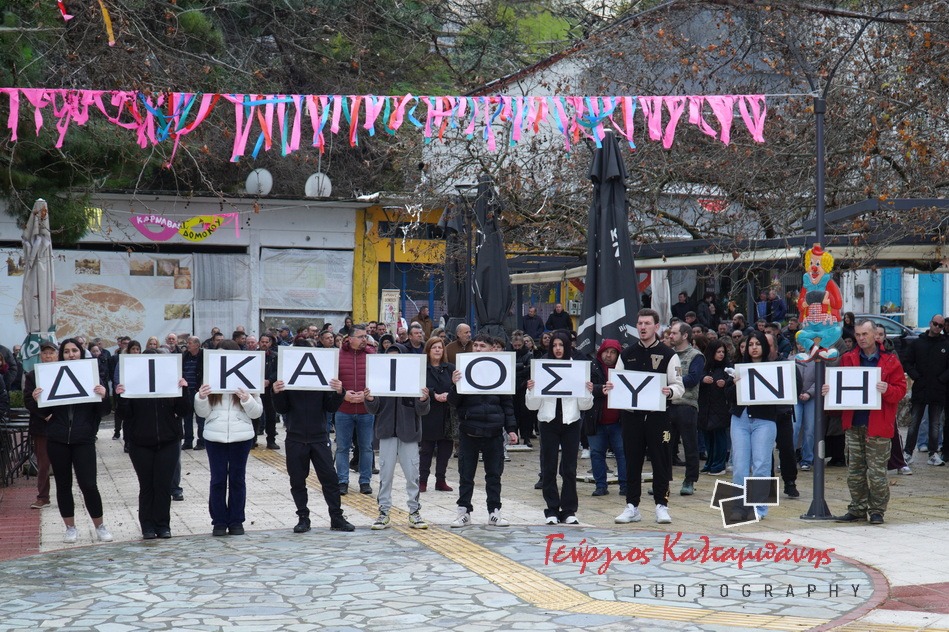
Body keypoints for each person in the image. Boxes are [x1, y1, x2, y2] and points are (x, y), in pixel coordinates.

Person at [30, 338, 113, 543]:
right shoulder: (52, 375)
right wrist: (37, 399)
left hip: (83, 438)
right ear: (62, 355)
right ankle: (70, 527)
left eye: (74, 350)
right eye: (66, 351)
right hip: (58, 438)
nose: (71, 354)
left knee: (89, 484)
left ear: (81, 352)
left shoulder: (92, 375)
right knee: (63, 484)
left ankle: (100, 526)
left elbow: (104, 411)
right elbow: (44, 412)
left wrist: (104, 396)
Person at [609, 309, 684, 525]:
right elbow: (618, 382)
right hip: (632, 417)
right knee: (632, 461)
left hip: (658, 416)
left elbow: (679, 386)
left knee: (661, 461)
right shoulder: (626, 354)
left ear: (656, 326)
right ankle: (632, 506)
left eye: (647, 323)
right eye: (640, 323)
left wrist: (669, 391)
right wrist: (611, 387)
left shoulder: (669, 355)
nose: (643, 327)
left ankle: (662, 505)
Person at [829, 320, 907, 524]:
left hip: (878, 425)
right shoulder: (848, 358)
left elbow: (901, 391)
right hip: (854, 423)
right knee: (854, 471)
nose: (861, 338)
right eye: (858, 335)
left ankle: (877, 510)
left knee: (877, 472)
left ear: (875, 335)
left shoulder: (890, 360)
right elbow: (839, 387)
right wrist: (830, 392)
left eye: (865, 334)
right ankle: (857, 508)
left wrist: (888, 390)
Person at [272, 347, 354, 533]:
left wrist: (339, 392)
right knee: (297, 480)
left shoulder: (320, 379)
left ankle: (336, 517)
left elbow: (330, 407)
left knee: (330, 479)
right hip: (295, 437)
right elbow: (282, 409)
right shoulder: (289, 379)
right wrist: (276, 393)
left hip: (319, 437)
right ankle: (303, 517)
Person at [115, 354, 190, 539]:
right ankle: (147, 526)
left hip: (168, 440)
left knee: (163, 485)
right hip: (140, 441)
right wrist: (121, 396)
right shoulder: (134, 385)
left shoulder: (170, 384)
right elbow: (124, 414)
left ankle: (163, 525)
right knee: (147, 485)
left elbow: (184, 411)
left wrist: (183, 390)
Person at [448, 334, 519, 528]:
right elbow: (453, 402)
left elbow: (507, 403)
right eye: (476, 345)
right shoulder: (463, 368)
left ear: (491, 348)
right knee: (466, 475)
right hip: (469, 430)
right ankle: (464, 512)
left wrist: (511, 429)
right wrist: (454, 384)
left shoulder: (500, 370)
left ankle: (494, 512)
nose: (478, 349)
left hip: (494, 431)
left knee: (494, 475)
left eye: (482, 346)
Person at [193, 340, 263, 536]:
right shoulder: (211, 380)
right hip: (215, 436)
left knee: (237, 479)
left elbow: (257, 413)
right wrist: (201, 397)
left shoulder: (248, 379)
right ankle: (219, 521)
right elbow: (202, 413)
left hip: (241, 437)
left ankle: (236, 520)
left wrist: (247, 399)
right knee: (218, 480)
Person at [525, 330, 593, 524]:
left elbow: (585, 406)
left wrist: (587, 391)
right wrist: (531, 390)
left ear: (567, 346)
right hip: (548, 422)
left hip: (571, 422)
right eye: (554, 345)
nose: (557, 349)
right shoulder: (541, 368)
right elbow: (532, 406)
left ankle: (569, 510)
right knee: (549, 467)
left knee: (570, 468)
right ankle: (552, 509)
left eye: (561, 345)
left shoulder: (577, 368)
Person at [365, 343, 431, 530]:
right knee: (385, 475)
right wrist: (370, 399)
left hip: (409, 433)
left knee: (412, 475)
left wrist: (423, 399)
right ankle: (383, 512)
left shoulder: (413, 379)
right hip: (386, 432)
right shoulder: (379, 379)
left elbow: (422, 410)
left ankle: (414, 512)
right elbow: (374, 408)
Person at [729, 331, 779, 519]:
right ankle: (739, 506)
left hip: (764, 420)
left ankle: (759, 507)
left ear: (764, 346)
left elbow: (789, 390)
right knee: (739, 465)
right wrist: (734, 385)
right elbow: (728, 396)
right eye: (750, 344)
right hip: (740, 419)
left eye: (758, 344)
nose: (754, 347)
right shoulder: (738, 368)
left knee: (761, 465)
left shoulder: (775, 368)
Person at [903, 314, 949, 466]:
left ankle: (933, 453)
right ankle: (908, 453)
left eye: (940, 325)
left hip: (938, 390)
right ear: (930, 323)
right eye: (935, 324)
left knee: (935, 423)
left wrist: (941, 379)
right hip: (920, 389)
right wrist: (916, 376)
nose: (937, 327)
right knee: (914, 422)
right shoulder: (918, 343)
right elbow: (907, 362)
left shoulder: (945, 344)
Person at [336, 325, 376, 496]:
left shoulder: (372, 356)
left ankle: (365, 481)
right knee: (342, 448)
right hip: (343, 409)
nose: (364, 340)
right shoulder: (338, 356)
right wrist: (343, 395)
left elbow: (378, 381)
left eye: (365, 336)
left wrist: (366, 395)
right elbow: (331, 382)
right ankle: (342, 481)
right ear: (350, 338)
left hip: (366, 410)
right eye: (360, 337)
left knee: (366, 447)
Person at [667, 322, 705, 496]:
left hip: (686, 405)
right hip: (668, 404)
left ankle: (690, 480)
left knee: (689, 444)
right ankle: (663, 480)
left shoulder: (696, 356)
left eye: (674, 333)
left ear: (684, 336)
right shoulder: (668, 354)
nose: (670, 336)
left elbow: (693, 378)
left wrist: (671, 382)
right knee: (665, 444)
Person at [587, 339, 626, 496]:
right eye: (606, 351)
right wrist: (600, 389)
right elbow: (585, 386)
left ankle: (625, 485)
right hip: (596, 419)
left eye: (613, 352)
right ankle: (600, 485)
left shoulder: (624, 368)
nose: (609, 355)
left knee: (622, 454)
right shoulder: (591, 367)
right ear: (601, 352)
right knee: (596, 453)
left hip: (619, 421)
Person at [420, 337, 455, 493]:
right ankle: (422, 480)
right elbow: (420, 386)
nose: (437, 350)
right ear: (428, 350)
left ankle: (440, 480)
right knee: (426, 450)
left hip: (447, 414)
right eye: (434, 347)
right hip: (428, 412)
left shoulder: (450, 368)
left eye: (440, 347)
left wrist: (450, 393)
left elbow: (457, 386)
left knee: (445, 450)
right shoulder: (422, 369)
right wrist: (433, 394)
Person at [24, 341, 56, 509]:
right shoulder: (32, 376)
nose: (48, 356)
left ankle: (66, 495)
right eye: (45, 353)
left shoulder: (63, 371)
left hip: (62, 424)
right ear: (40, 356)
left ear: (57, 355)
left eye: (51, 353)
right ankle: (43, 497)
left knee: (64, 463)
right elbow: (28, 401)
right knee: (43, 464)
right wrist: (45, 415)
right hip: (41, 426)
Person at [698, 340, 733, 476]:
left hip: (720, 408)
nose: (721, 354)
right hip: (706, 407)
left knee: (719, 436)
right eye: (718, 352)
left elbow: (733, 380)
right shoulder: (705, 367)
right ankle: (710, 463)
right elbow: (697, 379)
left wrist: (725, 383)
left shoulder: (727, 368)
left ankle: (719, 464)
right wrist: (703, 380)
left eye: (723, 352)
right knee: (708, 436)